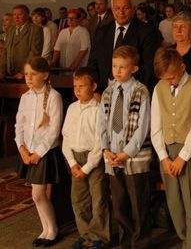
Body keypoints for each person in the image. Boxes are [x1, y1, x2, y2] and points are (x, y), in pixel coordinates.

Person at [151, 48, 191, 249]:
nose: (168, 82)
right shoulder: (159, 88)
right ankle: (185, 239)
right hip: (167, 152)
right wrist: (163, 157)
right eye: (164, 79)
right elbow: (155, 126)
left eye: (171, 77)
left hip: (189, 153)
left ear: (182, 67)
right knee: (174, 202)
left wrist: (183, 157)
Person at [99, 46, 152, 248]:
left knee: (138, 203)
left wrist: (126, 153)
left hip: (134, 157)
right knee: (119, 203)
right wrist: (105, 148)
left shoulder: (141, 91)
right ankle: (125, 241)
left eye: (122, 67)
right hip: (112, 155)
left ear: (134, 68)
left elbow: (142, 127)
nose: (117, 71)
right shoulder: (108, 92)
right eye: (114, 66)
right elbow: (102, 123)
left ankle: (140, 243)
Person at [15, 57, 66, 247]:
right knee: (36, 195)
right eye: (26, 74)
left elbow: (54, 130)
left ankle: (53, 229)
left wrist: (38, 153)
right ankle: (46, 229)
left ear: (45, 75)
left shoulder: (54, 96)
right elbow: (19, 125)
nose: (29, 78)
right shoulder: (25, 97)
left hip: (44, 153)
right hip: (28, 152)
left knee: (38, 194)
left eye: (33, 74)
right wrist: (21, 147)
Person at [62, 67, 109, 249]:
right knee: (78, 200)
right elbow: (66, 137)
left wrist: (88, 166)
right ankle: (85, 234)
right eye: (75, 86)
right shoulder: (72, 108)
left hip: (93, 160)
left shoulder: (99, 110)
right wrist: (72, 163)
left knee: (98, 200)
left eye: (82, 86)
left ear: (93, 86)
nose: (77, 90)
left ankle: (99, 237)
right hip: (75, 158)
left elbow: (100, 141)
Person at [88, 0, 160, 93]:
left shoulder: (146, 31)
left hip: (133, 91)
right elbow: (93, 63)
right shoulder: (102, 32)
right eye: (117, 8)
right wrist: (95, 91)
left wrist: (137, 92)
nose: (121, 12)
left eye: (126, 8)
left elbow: (149, 66)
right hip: (103, 91)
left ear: (134, 9)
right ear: (112, 10)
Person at [0, 4, 44, 79]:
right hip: (9, 73)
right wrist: (1, 71)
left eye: (20, 14)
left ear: (27, 15)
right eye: (14, 14)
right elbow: (5, 51)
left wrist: (24, 72)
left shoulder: (35, 29)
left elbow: (34, 53)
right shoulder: (11, 29)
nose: (16, 17)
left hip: (25, 74)